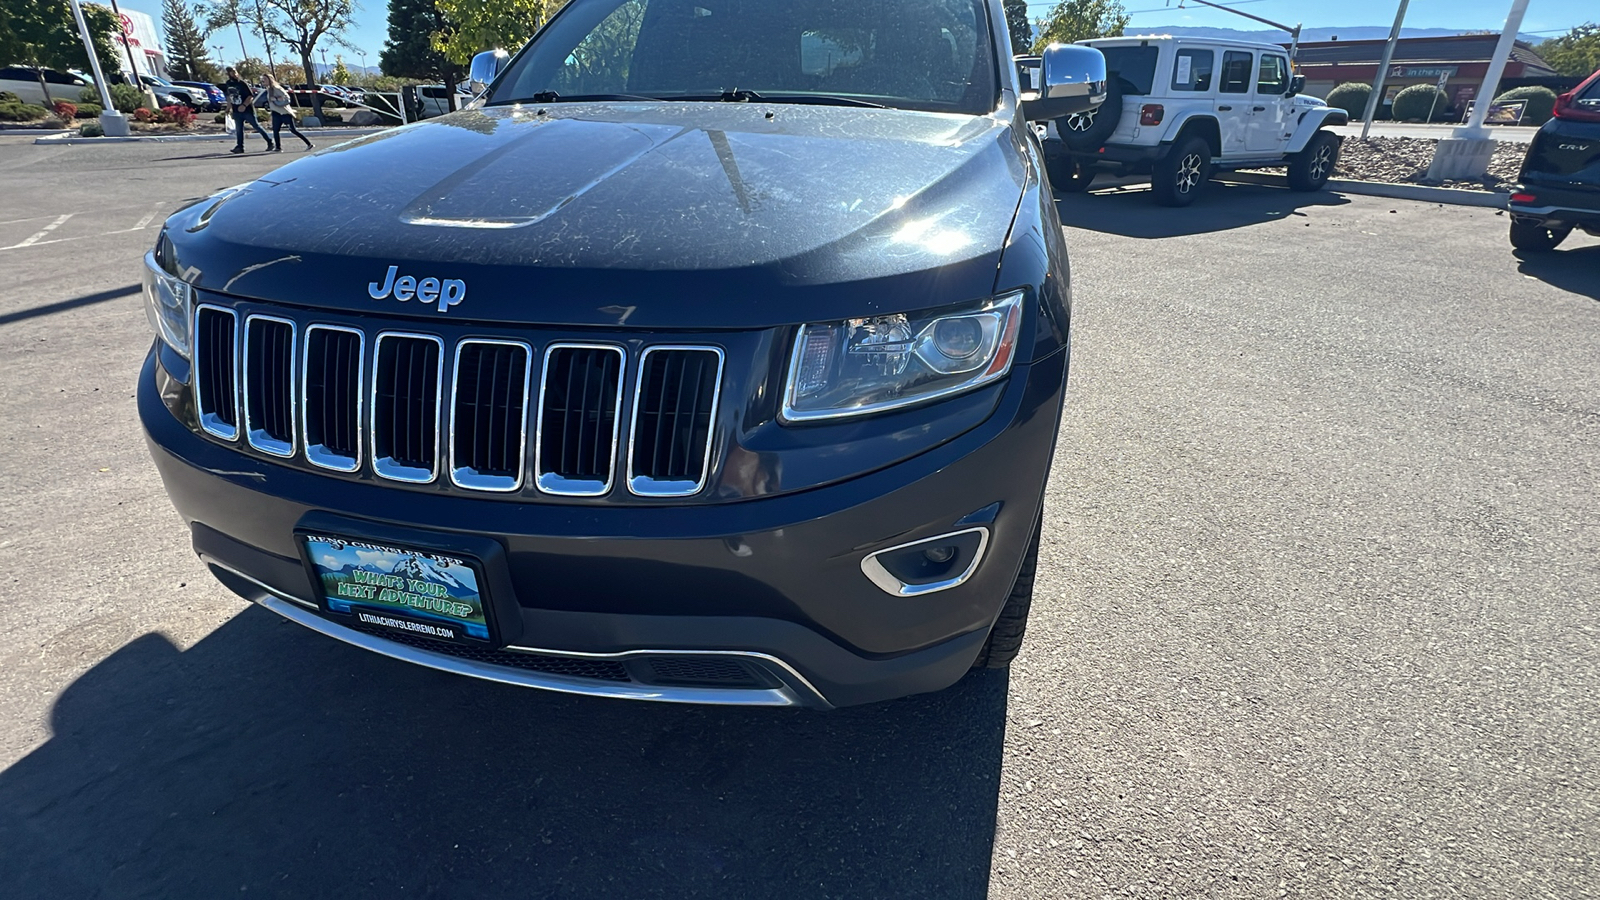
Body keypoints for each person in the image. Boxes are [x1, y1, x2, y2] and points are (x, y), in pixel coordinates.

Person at [222, 66, 272, 154]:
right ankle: (239, 146)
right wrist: (228, 108)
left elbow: (250, 96)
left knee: (256, 126)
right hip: (236, 110)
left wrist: (244, 105)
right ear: (228, 74)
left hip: (247, 110)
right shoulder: (228, 83)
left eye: (235, 71)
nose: (234, 73)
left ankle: (270, 142)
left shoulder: (242, 83)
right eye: (231, 72)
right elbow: (230, 97)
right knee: (239, 129)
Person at [260, 74, 313, 152]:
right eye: (263, 79)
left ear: (270, 79)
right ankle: (278, 148)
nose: (263, 80)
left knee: (293, 130)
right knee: (275, 130)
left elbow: (287, 98)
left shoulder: (277, 88)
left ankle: (309, 144)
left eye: (265, 79)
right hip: (276, 112)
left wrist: (276, 99)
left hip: (284, 113)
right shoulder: (269, 89)